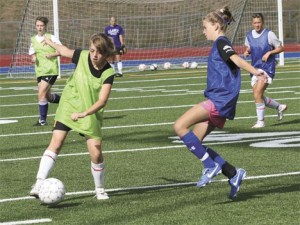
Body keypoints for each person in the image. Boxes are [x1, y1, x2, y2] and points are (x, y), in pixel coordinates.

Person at [173, 7, 266, 199]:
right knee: (195, 142)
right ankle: (232, 173)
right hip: (221, 102)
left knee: (179, 126)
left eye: (205, 26)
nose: (203, 30)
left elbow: (236, 59)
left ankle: (209, 165)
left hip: (219, 100)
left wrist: (255, 71)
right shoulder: (220, 42)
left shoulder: (222, 42)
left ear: (216, 26)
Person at [29, 33, 116, 200]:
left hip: (88, 112)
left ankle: (99, 189)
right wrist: (49, 42)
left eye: (98, 52)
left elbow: (102, 101)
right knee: (56, 142)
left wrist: (84, 113)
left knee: (96, 152)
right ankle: (39, 182)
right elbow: (63, 50)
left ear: (106, 54)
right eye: (91, 50)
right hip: (68, 106)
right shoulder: (82, 56)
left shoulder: (108, 73)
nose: (94, 55)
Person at [244, 13, 287, 128]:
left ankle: (261, 121)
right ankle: (279, 107)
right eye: (255, 23)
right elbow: (249, 47)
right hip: (254, 69)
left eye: (259, 22)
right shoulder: (248, 35)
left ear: (262, 22)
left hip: (267, 69)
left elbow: (281, 48)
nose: (257, 25)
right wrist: (247, 52)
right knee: (258, 95)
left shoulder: (269, 34)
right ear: (252, 23)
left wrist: (270, 52)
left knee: (257, 94)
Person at [29, 16, 62, 126]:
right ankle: (64, 101)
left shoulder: (51, 37)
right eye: (37, 25)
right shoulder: (33, 39)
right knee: (47, 97)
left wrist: (52, 54)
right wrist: (33, 58)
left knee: (41, 93)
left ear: (45, 26)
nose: (39, 28)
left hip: (51, 70)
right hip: (40, 71)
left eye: (41, 25)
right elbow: (32, 53)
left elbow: (61, 50)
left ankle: (42, 120)